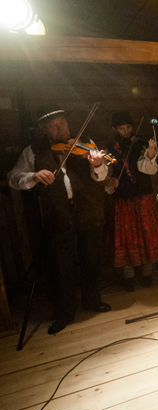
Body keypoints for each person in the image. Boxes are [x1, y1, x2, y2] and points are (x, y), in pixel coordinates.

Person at [7, 104, 113, 334]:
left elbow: (101, 177)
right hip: (57, 214)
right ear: (44, 129)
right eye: (54, 126)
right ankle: (65, 312)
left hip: (89, 209)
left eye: (63, 123)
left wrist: (98, 164)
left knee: (92, 258)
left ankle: (92, 300)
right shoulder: (33, 151)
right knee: (60, 265)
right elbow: (13, 178)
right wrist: (33, 176)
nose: (61, 129)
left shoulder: (86, 143)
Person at [105, 111, 158, 291]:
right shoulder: (110, 147)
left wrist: (151, 150)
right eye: (121, 129)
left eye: (128, 127)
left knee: (146, 234)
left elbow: (149, 168)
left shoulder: (141, 142)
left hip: (142, 195)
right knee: (126, 238)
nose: (126, 131)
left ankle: (147, 273)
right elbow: (108, 170)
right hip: (123, 198)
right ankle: (129, 276)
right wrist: (110, 179)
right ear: (114, 129)